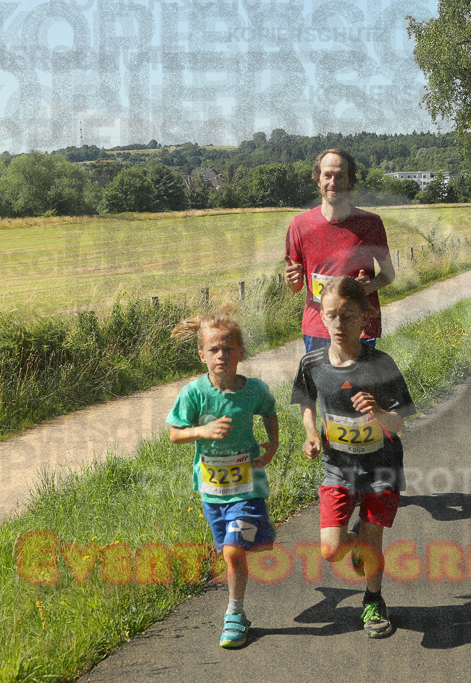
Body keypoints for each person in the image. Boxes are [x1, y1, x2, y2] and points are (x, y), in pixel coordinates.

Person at [292, 276, 415, 639]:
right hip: (337, 468)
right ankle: (358, 539)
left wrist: (378, 411)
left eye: (348, 316)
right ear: (321, 318)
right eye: (332, 316)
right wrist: (311, 434)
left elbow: (400, 423)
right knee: (330, 551)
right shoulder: (312, 363)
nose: (339, 324)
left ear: (366, 317)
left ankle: (373, 600)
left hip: (382, 468)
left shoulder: (381, 364)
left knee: (373, 539)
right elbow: (305, 402)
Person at [166, 312, 279, 649]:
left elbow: (269, 411)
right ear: (202, 355)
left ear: (241, 352)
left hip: (248, 487)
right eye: (213, 349)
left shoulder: (254, 390)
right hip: (212, 491)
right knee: (232, 553)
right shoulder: (194, 394)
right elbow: (175, 434)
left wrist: (272, 444)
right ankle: (259, 534)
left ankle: (234, 613)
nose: (221, 356)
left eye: (228, 349)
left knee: (232, 553)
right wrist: (202, 430)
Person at [284, 148, 396, 352]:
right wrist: (290, 281)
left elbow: (389, 274)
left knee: (363, 385)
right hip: (318, 329)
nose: (333, 183)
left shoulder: (371, 223)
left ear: (350, 182)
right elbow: (296, 286)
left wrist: (369, 287)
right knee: (322, 385)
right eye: (327, 175)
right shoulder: (299, 225)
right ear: (318, 179)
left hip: (360, 329)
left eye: (340, 176)